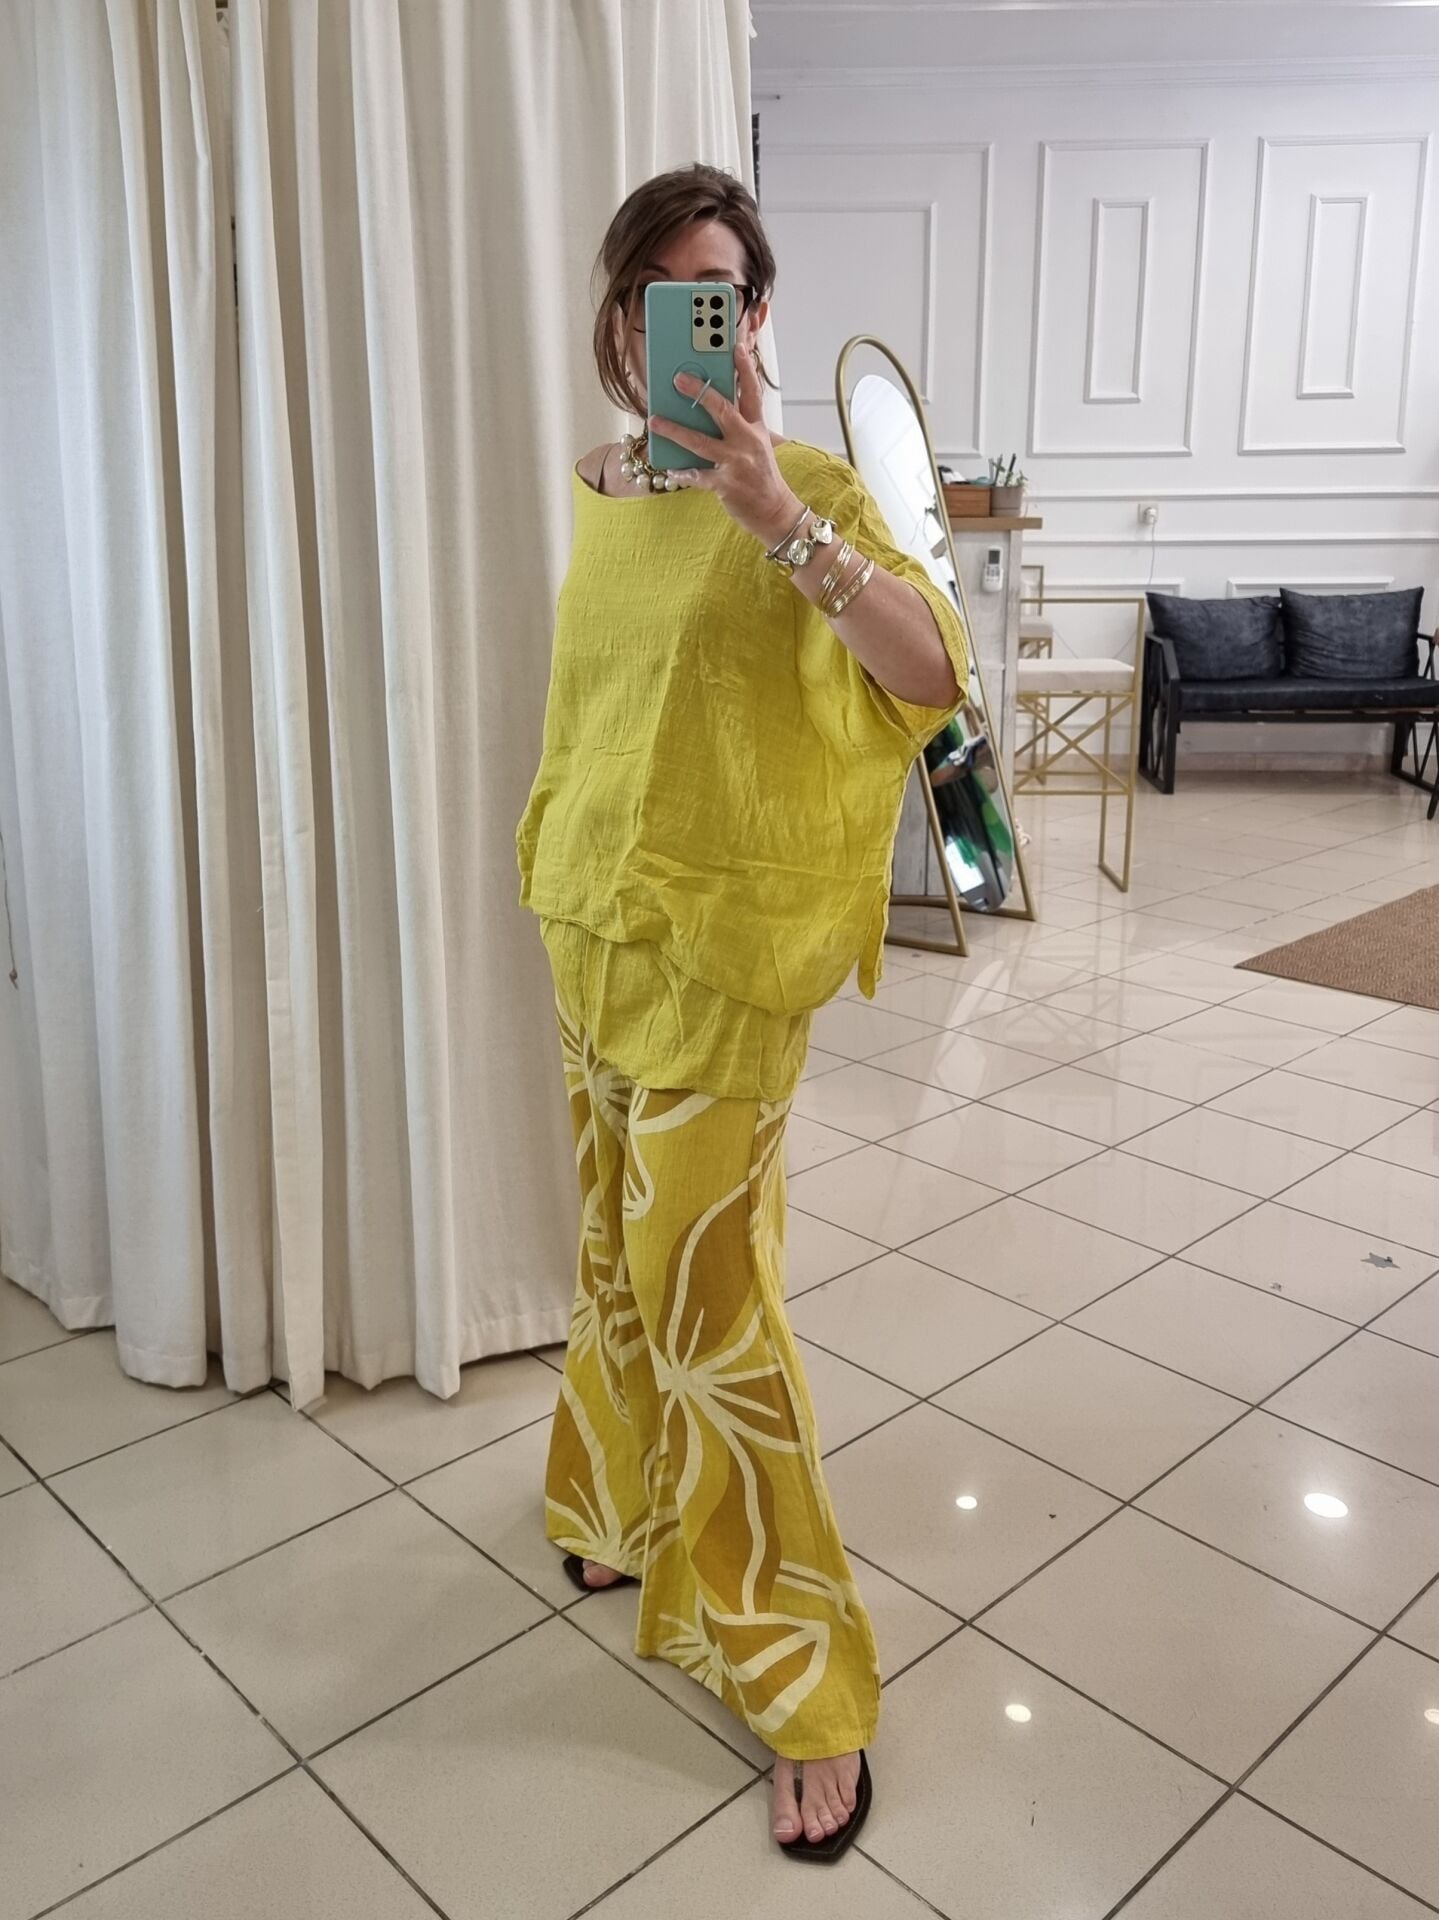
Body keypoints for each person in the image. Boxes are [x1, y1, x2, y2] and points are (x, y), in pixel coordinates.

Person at [516, 162, 967, 1859]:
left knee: (711, 1303)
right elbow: (605, 703)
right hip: (592, 923)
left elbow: (931, 673)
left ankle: (802, 1681)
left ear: (754, 313)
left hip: (726, 953)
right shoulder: (603, 483)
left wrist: (783, 524)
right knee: (612, 1254)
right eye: (649, 299)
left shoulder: (813, 489)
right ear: (623, 323)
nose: (675, 327)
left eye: (707, 293)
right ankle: (611, 1496)